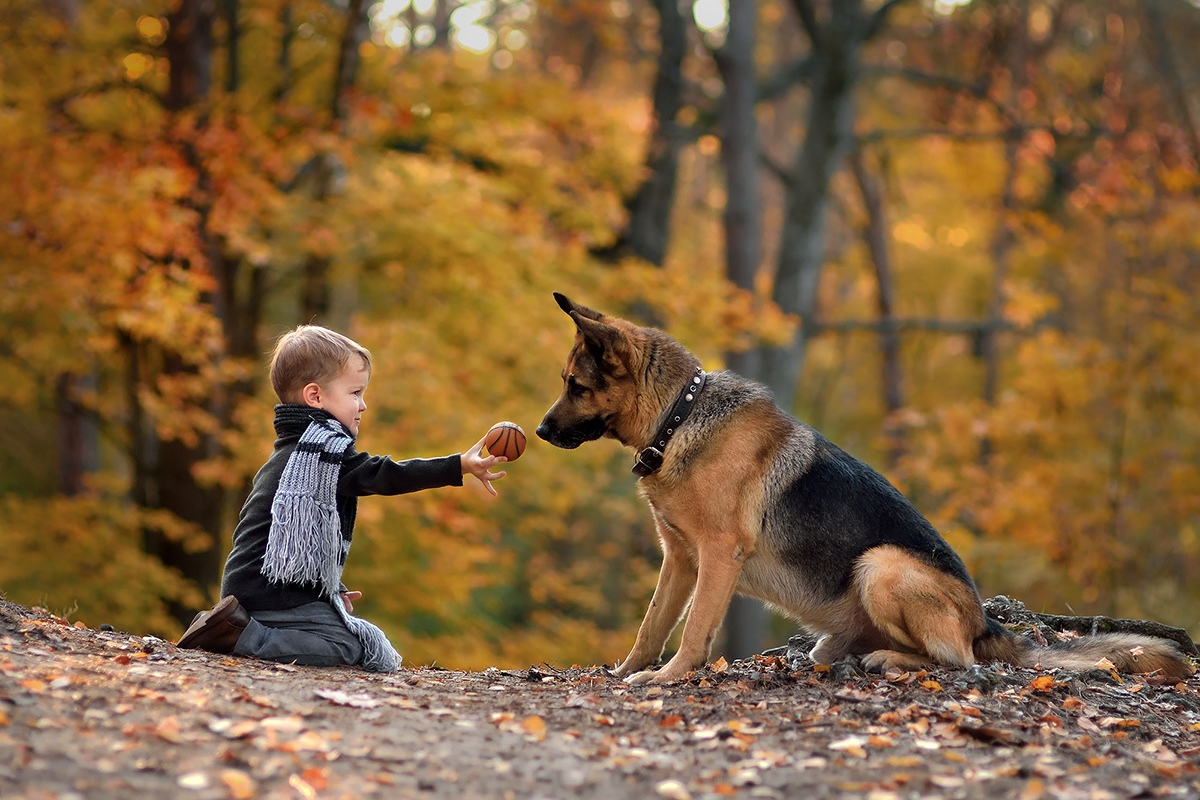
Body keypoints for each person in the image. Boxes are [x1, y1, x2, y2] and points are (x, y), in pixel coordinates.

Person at [176, 324, 507, 671]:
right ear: (315, 397)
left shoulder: (292, 455)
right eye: (355, 393)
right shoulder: (325, 455)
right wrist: (458, 465)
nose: (363, 405)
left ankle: (241, 628)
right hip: (267, 593)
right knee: (351, 648)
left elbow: (296, 539)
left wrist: (328, 589)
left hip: (259, 586)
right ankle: (241, 636)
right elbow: (385, 475)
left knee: (352, 636)